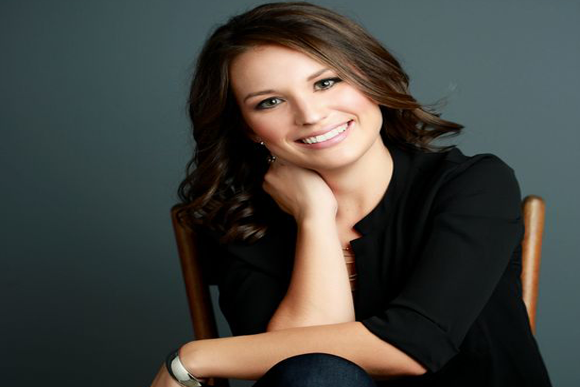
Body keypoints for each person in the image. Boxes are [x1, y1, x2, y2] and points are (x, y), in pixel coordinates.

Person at [151, 2, 552, 386]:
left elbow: (415, 346)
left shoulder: (472, 184)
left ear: (370, 80)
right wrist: (315, 218)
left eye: (326, 82)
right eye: (270, 102)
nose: (310, 114)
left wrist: (195, 357)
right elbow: (304, 371)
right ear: (250, 130)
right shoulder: (244, 225)